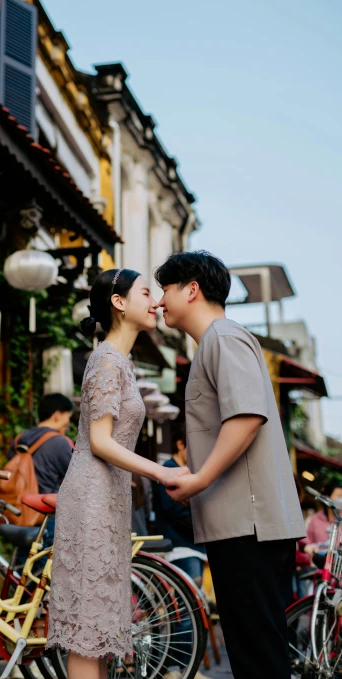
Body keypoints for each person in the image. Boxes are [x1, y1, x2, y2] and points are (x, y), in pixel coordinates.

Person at [156, 251, 305, 679]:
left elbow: (247, 416)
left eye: (165, 289)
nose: (161, 301)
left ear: (191, 289)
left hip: (248, 525)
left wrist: (200, 478)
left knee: (258, 656)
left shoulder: (222, 337)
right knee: (255, 651)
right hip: (242, 523)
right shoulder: (217, 342)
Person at [47, 268, 187, 679]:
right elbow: (102, 441)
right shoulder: (107, 359)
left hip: (107, 495)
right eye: (147, 292)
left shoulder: (117, 360)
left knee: (98, 623)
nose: (156, 301)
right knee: (87, 630)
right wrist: (163, 473)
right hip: (91, 496)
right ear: (119, 303)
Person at [8, 392, 74, 561]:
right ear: (57, 415)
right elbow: (76, 478)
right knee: (44, 574)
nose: (67, 423)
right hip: (48, 516)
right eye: (67, 417)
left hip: (19, 514)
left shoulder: (18, 440)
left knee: (24, 568)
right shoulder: (60, 443)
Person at [155, 426, 205, 582]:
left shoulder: (186, 471)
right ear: (180, 445)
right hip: (180, 546)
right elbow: (175, 511)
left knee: (192, 597)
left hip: (192, 545)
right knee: (190, 596)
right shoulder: (169, 471)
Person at [302, 484, 342, 558]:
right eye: (339, 496)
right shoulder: (314, 519)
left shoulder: (340, 519)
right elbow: (305, 542)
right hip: (317, 563)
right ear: (327, 498)